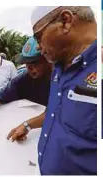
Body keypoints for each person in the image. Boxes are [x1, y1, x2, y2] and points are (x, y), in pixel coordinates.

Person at [26, 6, 96, 175]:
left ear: (65, 21)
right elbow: (56, 112)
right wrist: (27, 125)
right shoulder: (58, 68)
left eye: (38, 37)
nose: (39, 48)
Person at [0, 36, 52, 134]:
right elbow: (0, 95)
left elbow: (54, 112)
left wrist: (27, 125)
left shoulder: (60, 79)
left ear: (47, 59)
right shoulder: (24, 78)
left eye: (34, 63)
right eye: (26, 63)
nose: (29, 68)